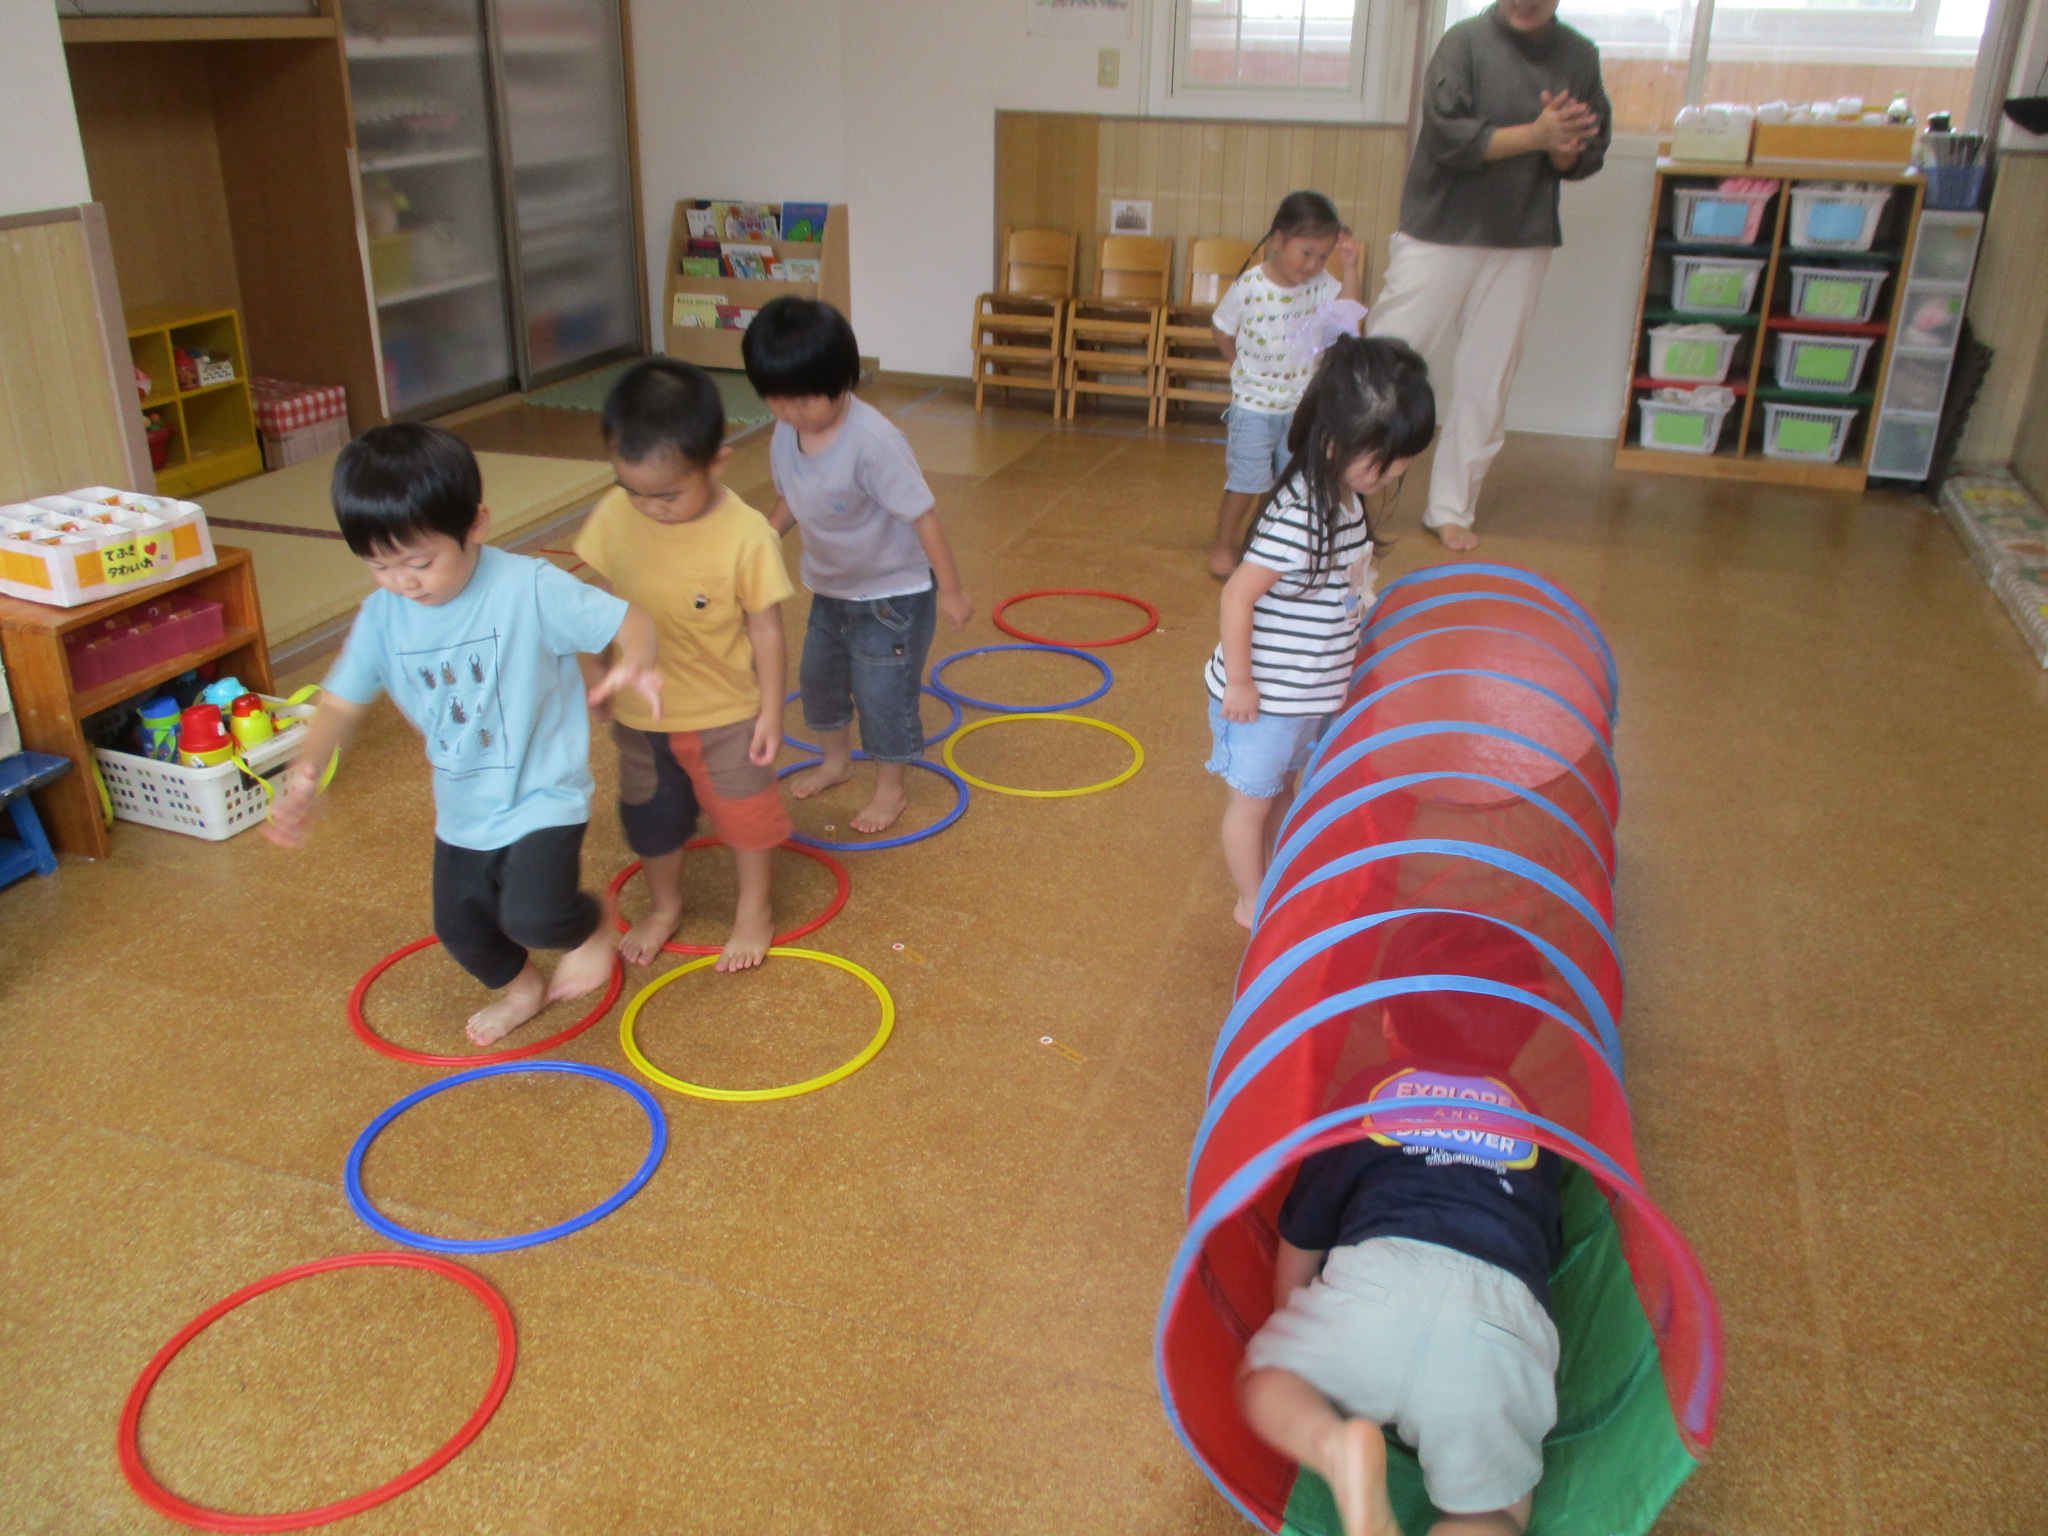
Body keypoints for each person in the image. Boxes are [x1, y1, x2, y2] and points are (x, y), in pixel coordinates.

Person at [266, 424, 662, 1046]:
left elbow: (628, 619)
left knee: (534, 915)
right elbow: (338, 704)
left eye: (420, 562)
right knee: (460, 929)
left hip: (542, 791)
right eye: (378, 565)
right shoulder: (382, 618)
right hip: (462, 805)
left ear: (475, 523)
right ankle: (523, 989)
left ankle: (593, 929)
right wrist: (307, 771)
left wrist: (634, 660)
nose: (403, 582)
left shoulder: (527, 587)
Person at [1237, 1064, 1565, 1536]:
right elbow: (1546, 1237)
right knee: (1496, 1514)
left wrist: (1294, 1323)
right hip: (1495, 1324)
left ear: (1389, 1026)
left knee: (1263, 1379)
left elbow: (1305, 1226)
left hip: (1376, 1287)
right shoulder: (1532, 1115)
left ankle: (1336, 1448)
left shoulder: (1369, 1088)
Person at [572, 358, 795, 972]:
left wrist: (771, 712)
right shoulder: (615, 514)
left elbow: (767, 627)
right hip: (643, 716)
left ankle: (754, 910)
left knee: (746, 816)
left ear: (716, 462)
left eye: (667, 494)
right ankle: (665, 905)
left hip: (726, 713)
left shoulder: (747, 534)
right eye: (633, 490)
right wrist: (594, 672)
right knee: (650, 818)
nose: (649, 507)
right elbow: (594, 601)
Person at [1206, 335, 1435, 929]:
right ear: (1335, 442)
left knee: (1284, 791)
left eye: (1404, 460)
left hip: (1307, 696)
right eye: (1389, 460)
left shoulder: (1347, 498)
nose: (1398, 472)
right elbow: (1236, 595)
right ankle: (1251, 902)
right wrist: (1240, 683)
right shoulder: (1301, 516)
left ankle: (1279, 882)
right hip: (1261, 702)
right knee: (1249, 806)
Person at [1366, 0, 1610, 552]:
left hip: (1522, 238)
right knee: (1384, 362)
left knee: (1487, 380)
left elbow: (1585, 155)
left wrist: (1563, 147)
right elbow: (1448, 137)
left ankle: (1451, 507)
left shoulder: (1579, 55)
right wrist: (1537, 134)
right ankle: (1343, 488)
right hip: (1438, 230)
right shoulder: (1465, 41)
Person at [740, 296, 971, 834]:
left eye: (803, 400)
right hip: (831, 589)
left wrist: (952, 589)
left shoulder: (874, 442)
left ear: (842, 380)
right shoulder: (786, 432)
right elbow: (794, 495)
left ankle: (891, 789)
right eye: (776, 399)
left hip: (892, 596)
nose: (789, 413)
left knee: (881, 696)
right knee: (817, 681)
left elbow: (924, 516)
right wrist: (764, 537)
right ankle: (836, 761)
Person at [1207, 191, 1369, 578]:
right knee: (1247, 482)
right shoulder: (1251, 286)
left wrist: (1349, 268)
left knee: (1288, 484)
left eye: (1323, 256)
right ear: (1278, 239)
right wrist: (1238, 366)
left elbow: (1349, 321)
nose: (1313, 265)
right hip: (1254, 408)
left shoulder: (1321, 286)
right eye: (1306, 253)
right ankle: (1223, 545)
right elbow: (1221, 328)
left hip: (1301, 409)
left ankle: (1267, 544)